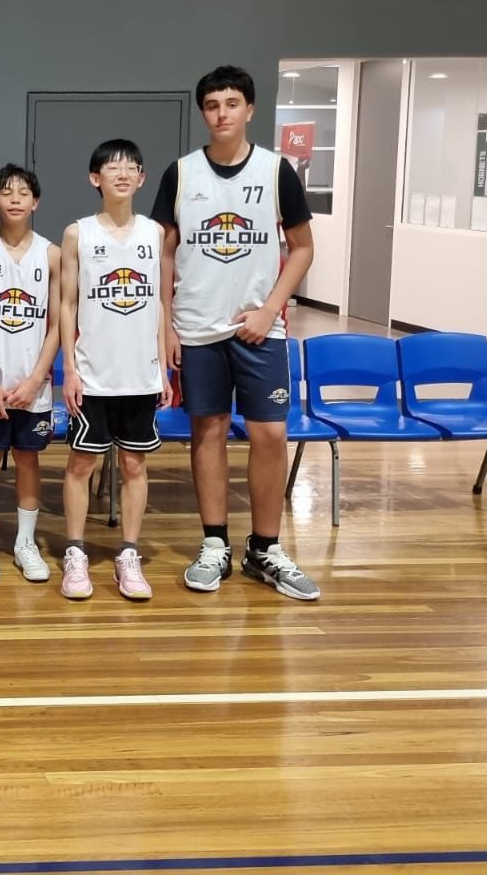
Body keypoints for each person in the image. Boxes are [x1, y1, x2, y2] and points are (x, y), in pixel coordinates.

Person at [152, 65, 320, 600]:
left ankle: (265, 548)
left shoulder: (276, 172)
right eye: (212, 105)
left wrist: (270, 308)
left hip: (259, 329)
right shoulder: (180, 173)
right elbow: (164, 251)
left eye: (231, 103)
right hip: (197, 329)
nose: (221, 113)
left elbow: (303, 247)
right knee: (209, 432)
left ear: (249, 109)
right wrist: (167, 323)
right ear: (203, 113)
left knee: (271, 434)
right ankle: (215, 543)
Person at [58, 140, 169, 602]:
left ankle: (128, 553)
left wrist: (163, 369)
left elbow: (160, 303)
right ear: (94, 178)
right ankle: (76, 552)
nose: (121, 174)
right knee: (82, 463)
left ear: (141, 179)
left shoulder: (154, 233)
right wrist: (69, 369)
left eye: (131, 168)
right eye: (111, 167)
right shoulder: (77, 233)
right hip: (93, 373)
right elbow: (65, 304)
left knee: (134, 463)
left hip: (140, 375)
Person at [0, 163, 60, 584]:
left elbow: (59, 324)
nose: (17, 198)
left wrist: (38, 377)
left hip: (32, 385)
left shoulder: (52, 253)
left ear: (36, 201)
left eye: (24, 192)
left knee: (28, 460)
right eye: (7, 192)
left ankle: (25, 543)